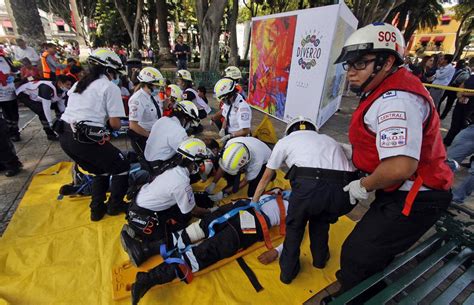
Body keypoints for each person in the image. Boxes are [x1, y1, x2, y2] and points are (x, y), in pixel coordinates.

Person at [324, 23, 453, 302]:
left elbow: (399, 167)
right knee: (371, 252)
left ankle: (359, 298)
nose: (351, 71)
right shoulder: (386, 87)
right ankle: (363, 289)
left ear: (388, 61)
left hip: (417, 196)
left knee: (358, 253)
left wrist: (363, 184)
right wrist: (355, 152)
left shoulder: (397, 100)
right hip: (405, 190)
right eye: (348, 64)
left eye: (360, 63)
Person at [128, 191, 290, 305]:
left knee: (206, 248)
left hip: (249, 219)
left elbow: (295, 236)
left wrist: (277, 250)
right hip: (241, 210)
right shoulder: (280, 192)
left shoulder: (298, 207)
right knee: (197, 233)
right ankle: (147, 250)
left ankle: (149, 277)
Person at [251, 116, 355, 284]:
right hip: (342, 192)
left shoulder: (285, 142)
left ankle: (288, 273)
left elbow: (266, 177)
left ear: (290, 131)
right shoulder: (328, 139)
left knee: (295, 228)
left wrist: (255, 200)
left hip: (309, 188)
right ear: (313, 129)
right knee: (321, 220)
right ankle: (320, 260)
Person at [55, 48, 130, 222]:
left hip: (65, 137)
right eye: (115, 73)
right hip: (84, 139)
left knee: (99, 170)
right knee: (121, 166)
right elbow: (115, 124)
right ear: (109, 70)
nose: (116, 77)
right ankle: (115, 205)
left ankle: (96, 209)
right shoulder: (109, 87)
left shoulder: (78, 83)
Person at [122, 138, 212, 245]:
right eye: (201, 161)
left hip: (139, 201)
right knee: (182, 223)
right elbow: (193, 210)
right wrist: (210, 211)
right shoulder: (182, 182)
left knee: (194, 201)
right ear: (194, 161)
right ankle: (140, 242)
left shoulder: (173, 167)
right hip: (144, 214)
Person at [206, 136, 272, 201]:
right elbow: (223, 166)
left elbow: (245, 181)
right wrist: (213, 183)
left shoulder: (256, 162)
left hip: (266, 162)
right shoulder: (230, 144)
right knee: (227, 169)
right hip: (252, 145)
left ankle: (272, 175)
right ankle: (230, 182)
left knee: (252, 193)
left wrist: (223, 193)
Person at [143, 101, 200, 175]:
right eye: (190, 122)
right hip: (158, 166)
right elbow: (187, 151)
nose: (189, 125)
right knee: (189, 159)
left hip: (147, 161)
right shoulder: (179, 130)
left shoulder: (162, 120)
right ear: (186, 118)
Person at [16, 75, 75, 140]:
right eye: (67, 84)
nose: (69, 87)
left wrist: (65, 117)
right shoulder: (46, 88)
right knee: (41, 111)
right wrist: (50, 123)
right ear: (60, 83)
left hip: (38, 97)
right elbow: (46, 107)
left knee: (57, 108)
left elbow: (61, 104)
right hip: (24, 94)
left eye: (70, 85)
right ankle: (50, 134)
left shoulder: (63, 90)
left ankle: (60, 127)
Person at [127, 67, 165, 154]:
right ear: (148, 84)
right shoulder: (137, 99)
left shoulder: (154, 95)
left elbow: (160, 110)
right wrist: (151, 136)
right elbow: (133, 125)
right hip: (144, 137)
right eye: (156, 85)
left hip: (156, 135)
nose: (158, 87)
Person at [444, 57, 474, 146]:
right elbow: (462, 85)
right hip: (461, 103)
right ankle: (447, 141)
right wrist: (460, 94)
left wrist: (465, 94)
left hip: (471, 106)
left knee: (463, 124)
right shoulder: (471, 77)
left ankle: (456, 142)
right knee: (455, 123)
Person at [0, 48, 20, 141]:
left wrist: (12, 75)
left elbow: (15, 72)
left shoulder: (5, 58)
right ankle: (10, 132)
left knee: (14, 113)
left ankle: (15, 131)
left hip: (10, 91)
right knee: (6, 114)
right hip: (1, 94)